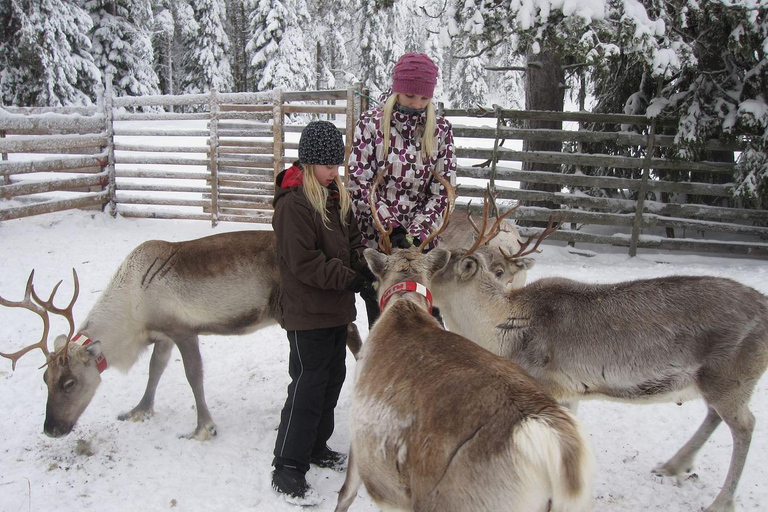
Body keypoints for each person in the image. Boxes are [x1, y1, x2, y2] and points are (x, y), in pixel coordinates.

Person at [270, 120, 372, 505]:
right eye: (328, 165)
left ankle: (316, 446)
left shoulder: (335, 198)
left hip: (334, 311)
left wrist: (365, 267)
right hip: (306, 312)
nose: (335, 172)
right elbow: (304, 263)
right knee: (307, 385)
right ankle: (288, 465)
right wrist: (349, 280)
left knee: (332, 378)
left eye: (337, 164)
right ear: (309, 162)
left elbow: (353, 241)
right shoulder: (294, 205)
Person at [348, 52, 456, 326]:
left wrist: (419, 233)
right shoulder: (371, 125)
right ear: (397, 90)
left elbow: (443, 192)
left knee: (429, 323)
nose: (417, 104)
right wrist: (391, 227)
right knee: (385, 325)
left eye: (424, 98)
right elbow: (359, 181)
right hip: (382, 245)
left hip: (422, 253)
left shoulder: (440, 131)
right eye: (410, 96)